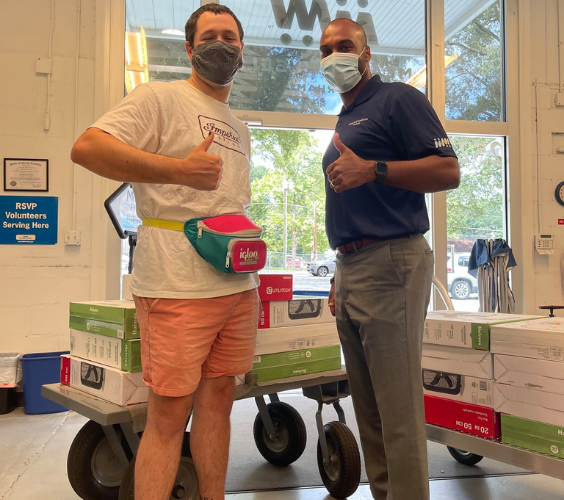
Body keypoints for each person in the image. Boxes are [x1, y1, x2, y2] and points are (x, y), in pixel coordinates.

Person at [71, 5, 259, 500]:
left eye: (231, 37)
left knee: (220, 402)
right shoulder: (160, 97)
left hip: (237, 284)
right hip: (176, 285)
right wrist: (177, 171)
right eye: (211, 36)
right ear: (189, 48)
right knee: (169, 416)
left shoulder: (238, 127)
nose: (222, 45)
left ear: (242, 49)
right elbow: (87, 147)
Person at [319, 18, 460, 500]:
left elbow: (448, 170)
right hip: (353, 268)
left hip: (393, 263)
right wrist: (341, 270)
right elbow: (352, 203)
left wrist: (373, 169)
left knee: (398, 413)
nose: (334, 55)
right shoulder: (345, 116)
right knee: (370, 412)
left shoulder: (398, 99)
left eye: (344, 46)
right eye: (326, 49)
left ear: (366, 54)